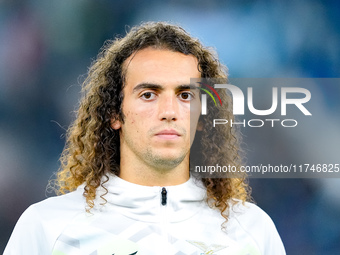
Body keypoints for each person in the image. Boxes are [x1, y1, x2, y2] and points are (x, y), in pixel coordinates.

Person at [4, 22, 285, 255]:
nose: (169, 112)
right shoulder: (48, 228)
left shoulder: (252, 231)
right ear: (115, 112)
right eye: (148, 94)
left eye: (185, 95)